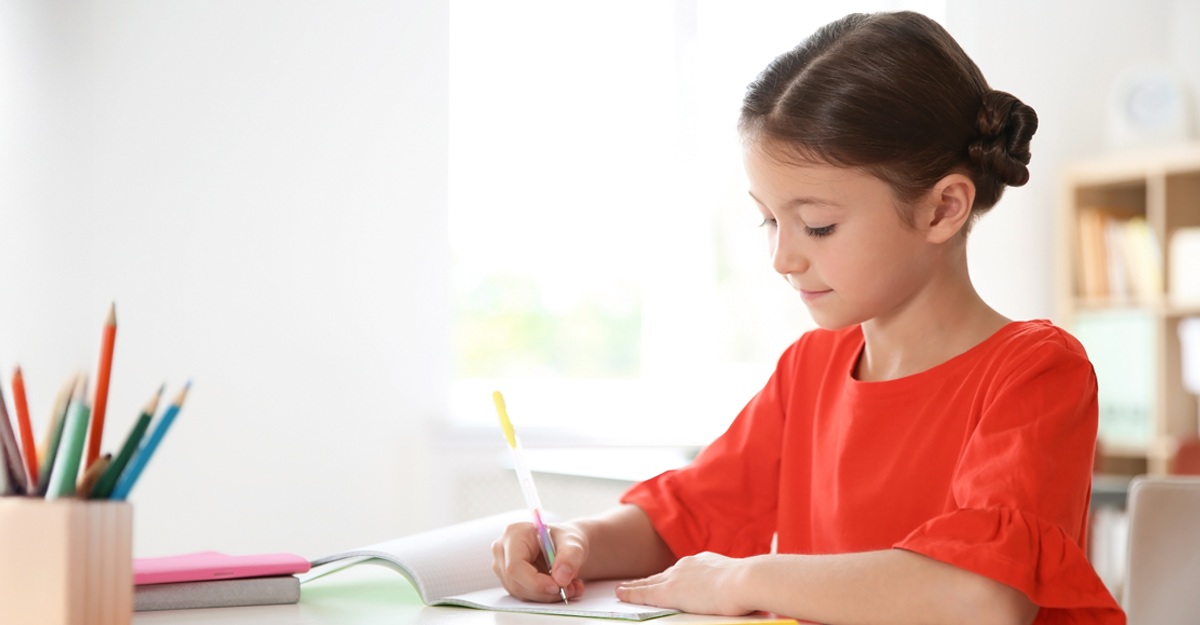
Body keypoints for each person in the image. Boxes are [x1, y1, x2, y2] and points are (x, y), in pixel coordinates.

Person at [489, 11, 1124, 625]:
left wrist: (745, 577)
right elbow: (685, 513)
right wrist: (576, 541)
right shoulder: (810, 369)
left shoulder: (1036, 373)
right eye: (768, 219)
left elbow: (979, 598)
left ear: (942, 209)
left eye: (817, 225)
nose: (781, 257)